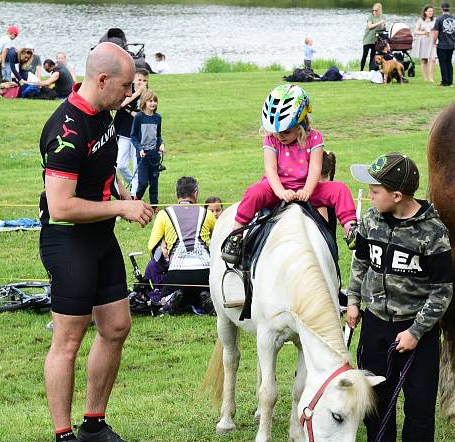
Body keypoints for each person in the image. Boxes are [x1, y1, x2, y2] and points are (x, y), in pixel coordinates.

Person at [38, 41, 154, 442]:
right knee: (68, 339)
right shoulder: (67, 130)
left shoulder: (102, 112)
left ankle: (94, 424)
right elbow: (61, 205)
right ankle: (62, 434)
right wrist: (121, 207)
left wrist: (121, 190)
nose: (128, 95)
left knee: (117, 326)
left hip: (101, 237)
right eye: (124, 86)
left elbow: (104, 163)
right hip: (68, 240)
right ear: (100, 79)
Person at [346, 152, 453, 442]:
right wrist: (353, 300)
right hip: (376, 324)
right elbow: (360, 263)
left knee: (420, 400)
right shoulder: (371, 221)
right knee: (376, 395)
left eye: (375, 190)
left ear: (397, 196)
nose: (370, 195)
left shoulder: (433, 233)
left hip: (415, 329)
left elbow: (441, 291)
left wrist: (416, 331)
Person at [220, 84, 358, 264]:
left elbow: (315, 168)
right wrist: (280, 192)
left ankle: (351, 229)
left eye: (286, 132)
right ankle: (236, 234)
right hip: (277, 187)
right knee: (253, 193)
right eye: (276, 131)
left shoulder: (315, 137)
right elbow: (270, 169)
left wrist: (307, 190)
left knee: (340, 189)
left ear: (301, 124)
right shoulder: (271, 139)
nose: (279, 136)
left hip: (308, 188)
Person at [147, 176, 217, 315]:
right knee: (204, 291)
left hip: (176, 273)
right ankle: (205, 299)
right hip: (205, 273)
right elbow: (218, 242)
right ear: (195, 193)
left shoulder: (164, 214)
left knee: (163, 298)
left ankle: (171, 299)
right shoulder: (207, 214)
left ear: (176, 194)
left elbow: (152, 247)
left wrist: (165, 265)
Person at [115, 69, 149, 191]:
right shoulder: (127, 90)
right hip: (124, 131)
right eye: (139, 80)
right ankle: (133, 183)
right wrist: (137, 93)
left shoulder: (147, 94)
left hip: (139, 134)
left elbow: (146, 113)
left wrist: (132, 111)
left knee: (136, 165)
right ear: (134, 79)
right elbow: (122, 104)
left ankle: (135, 193)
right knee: (120, 164)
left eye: (145, 80)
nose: (142, 83)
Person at [131, 90, 165, 204]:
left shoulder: (158, 118)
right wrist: (139, 149)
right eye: (150, 101)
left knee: (154, 183)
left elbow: (158, 135)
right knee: (143, 182)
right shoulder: (139, 117)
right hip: (143, 156)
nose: (153, 103)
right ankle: (137, 199)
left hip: (154, 156)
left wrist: (161, 144)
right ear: (144, 102)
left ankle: (154, 205)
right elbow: (133, 136)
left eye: (155, 101)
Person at [431, 2, 455, 87]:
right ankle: (450, 81)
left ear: (441, 8)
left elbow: (435, 32)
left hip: (442, 44)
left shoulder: (439, 19)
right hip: (451, 44)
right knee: (449, 63)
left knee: (443, 63)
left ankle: (445, 82)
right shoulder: (454, 19)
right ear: (449, 8)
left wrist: (434, 42)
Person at [0, 25, 19, 97]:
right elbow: (4, 52)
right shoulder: (8, 40)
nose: (15, 37)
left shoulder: (3, 38)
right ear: (12, 34)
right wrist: (3, 63)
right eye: (16, 35)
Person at [412, 5, 437, 82]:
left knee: (433, 59)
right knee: (424, 60)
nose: (431, 13)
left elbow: (437, 30)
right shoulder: (420, 20)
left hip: (433, 41)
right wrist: (423, 32)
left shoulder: (435, 20)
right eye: (429, 11)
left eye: (432, 11)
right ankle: (425, 78)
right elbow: (415, 31)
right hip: (423, 41)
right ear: (425, 12)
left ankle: (431, 78)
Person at [361, 3, 387, 71]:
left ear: (380, 10)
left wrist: (384, 26)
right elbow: (369, 26)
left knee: (372, 56)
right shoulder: (371, 17)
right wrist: (379, 22)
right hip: (368, 39)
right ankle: (361, 70)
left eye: (376, 10)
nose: (374, 12)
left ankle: (370, 70)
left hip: (376, 40)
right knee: (364, 55)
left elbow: (383, 28)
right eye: (373, 10)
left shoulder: (383, 17)